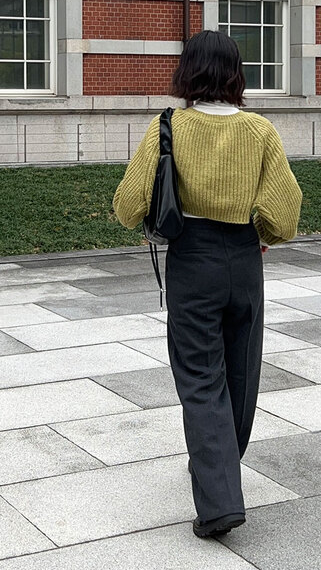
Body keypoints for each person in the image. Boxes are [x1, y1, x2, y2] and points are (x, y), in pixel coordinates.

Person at [113, 30, 302, 538]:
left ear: (187, 71)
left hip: (192, 260)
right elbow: (285, 213)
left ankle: (219, 499)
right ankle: (218, 463)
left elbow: (128, 204)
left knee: (199, 374)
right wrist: (261, 235)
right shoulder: (260, 130)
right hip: (244, 257)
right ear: (236, 74)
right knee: (241, 369)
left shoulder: (168, 126)